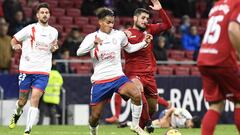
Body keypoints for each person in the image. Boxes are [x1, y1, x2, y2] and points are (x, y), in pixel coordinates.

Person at [76, 7, 152, 135]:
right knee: (95, 116)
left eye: (112, 22)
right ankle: (93, 130)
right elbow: (79, 52)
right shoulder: (92, 37)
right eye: (108, 22)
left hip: (118, 77)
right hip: (100, 81)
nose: (111, 25)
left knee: (136, 94)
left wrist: (144, 42)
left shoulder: (119, 35)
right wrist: (93, 44)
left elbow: (130, 48)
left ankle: (135, 126)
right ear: (100, 22)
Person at [8, 3, 59, 135]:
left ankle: (27, 130)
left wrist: (54, 48)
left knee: (35, 99)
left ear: (49, 15)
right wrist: (15, 46)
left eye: (47, 12)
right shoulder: (29, 29)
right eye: (42, 12)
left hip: (43, 71)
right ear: (37, 15)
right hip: (26, 69)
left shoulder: (54, 32)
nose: (44, 14)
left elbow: (54, 46)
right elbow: (14, 40)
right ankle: (16, 114)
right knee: (22, 101)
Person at [123, 0, 172, 132]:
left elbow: (168, 25)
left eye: (147, 18)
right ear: (135, 18)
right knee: (138, 93)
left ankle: (141, 127)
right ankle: (144, 124)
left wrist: (160, 10)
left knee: (153, 108)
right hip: (133, 74)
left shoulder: (149, 29)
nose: (145, 21)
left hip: (149, 75)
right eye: (143, 18)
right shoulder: (126, 34)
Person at [197, 0, 240, 135]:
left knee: (217, 105)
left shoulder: (217, 6)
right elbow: (233, 29)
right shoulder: (237, 3)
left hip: (204, 57)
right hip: (222, 59)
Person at [38, 60, 63, 125]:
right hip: (54, 97)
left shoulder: (47, 74)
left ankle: (40, 123)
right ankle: (53, 124)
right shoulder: (59, 75)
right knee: (52, 112)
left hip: (46, 95)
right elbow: (60, 84)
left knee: (42, 111)